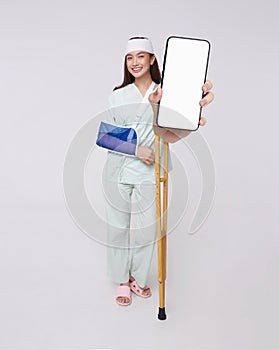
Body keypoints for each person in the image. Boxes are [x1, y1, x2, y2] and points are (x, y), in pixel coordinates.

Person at [103, 36, 214, 306]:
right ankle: (121, 281)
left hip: (151, 173)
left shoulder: (169, 91)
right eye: (130, 58)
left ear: (152, 59)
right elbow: (106, 136)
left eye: (141, 56)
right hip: (118, 171)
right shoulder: (118, 96)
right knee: (118, 229)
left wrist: (191, 118)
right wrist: (136, 150)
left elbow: (171, 135)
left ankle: (137, 279)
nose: (135, 62)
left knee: (145, 231)